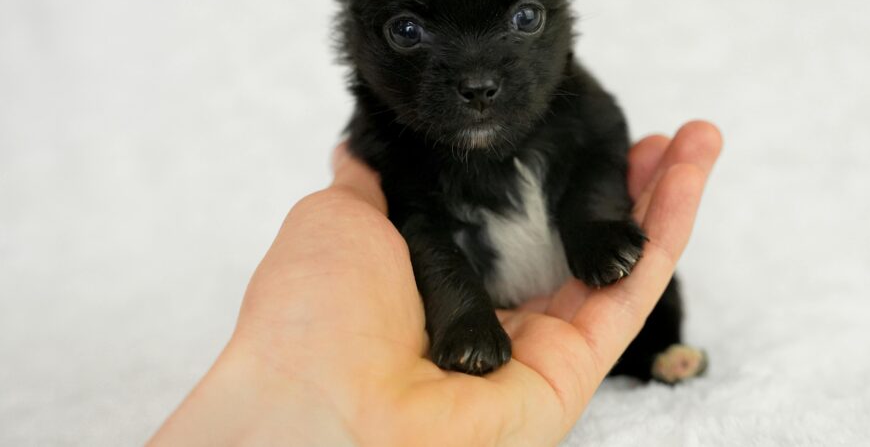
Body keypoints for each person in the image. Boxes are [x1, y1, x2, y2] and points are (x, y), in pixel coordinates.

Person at [149, 121, 722, 446]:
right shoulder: (391, 144)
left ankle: (654, 352)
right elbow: (421, 231)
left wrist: (592, 226)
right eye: (409, 30)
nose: (476, 72)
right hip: (493, 309)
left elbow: (600, 155)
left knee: (643, 271)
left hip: (567, 295)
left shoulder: (582, 112)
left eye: (524, 19)